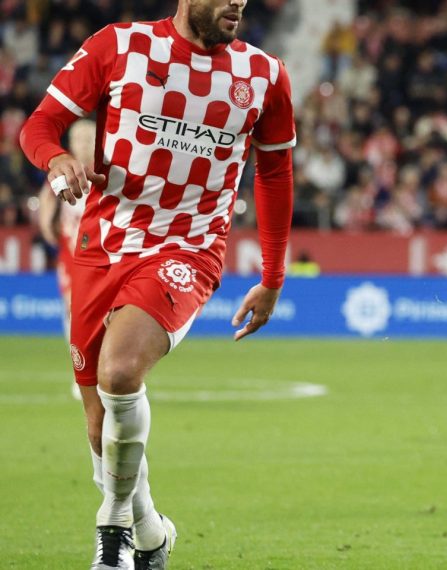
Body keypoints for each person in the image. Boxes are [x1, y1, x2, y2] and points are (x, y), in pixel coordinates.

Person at [19, 1, 296, 568]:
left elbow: (275, 172)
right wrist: (55, 158)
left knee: (121, 371)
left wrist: (272, 275)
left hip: (187, 248)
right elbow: (39, 125)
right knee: (100, 422)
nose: (238, 2)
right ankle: (149, 532)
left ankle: (113, 530)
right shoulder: (119, 46)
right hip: (102, 245)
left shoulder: (265, 75)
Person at [37, 119, 96, 338]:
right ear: (70, 143)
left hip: (101, 248)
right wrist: (46, 225)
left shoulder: (105, 171)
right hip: (71, 248)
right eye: (78, 139)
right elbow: (47, 196)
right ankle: (77, 354)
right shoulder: (64, 171)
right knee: (71, 304)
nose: (83, 144)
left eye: (88, 139)